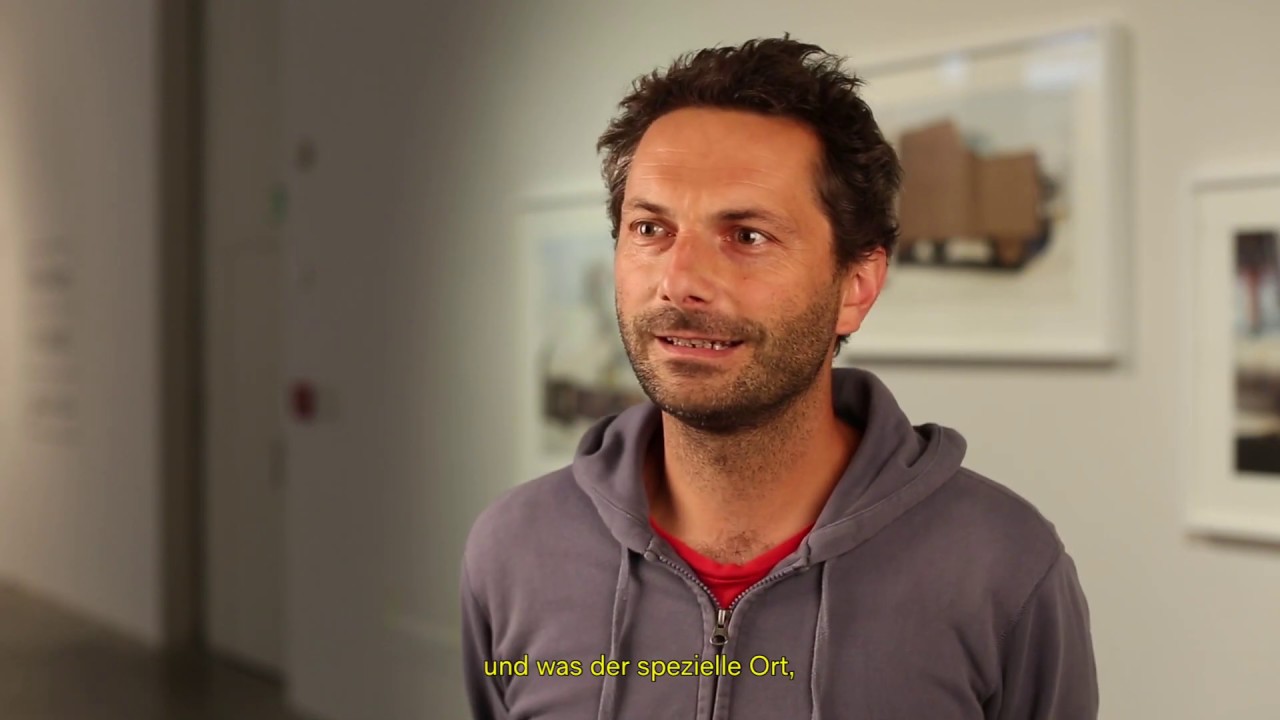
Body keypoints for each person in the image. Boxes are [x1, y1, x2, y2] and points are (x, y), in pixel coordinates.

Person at [461, 35, 1098, 719]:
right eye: (650, 229)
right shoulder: (514, 550)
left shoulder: (1001, 568)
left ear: (856, 284)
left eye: (748, 236)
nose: (681, 283)